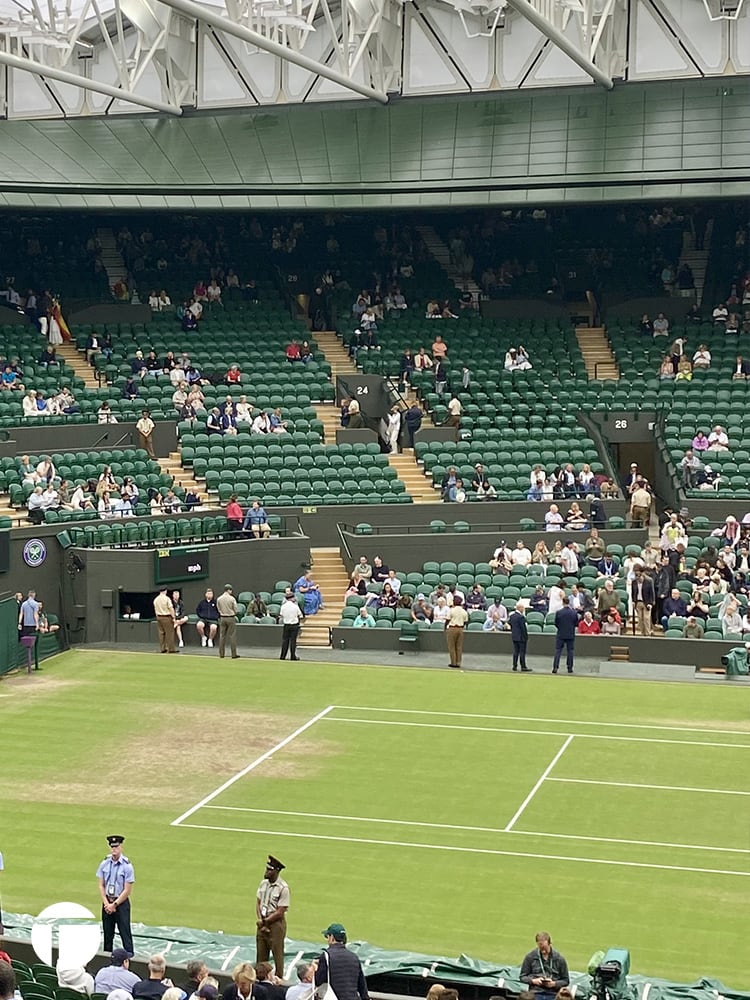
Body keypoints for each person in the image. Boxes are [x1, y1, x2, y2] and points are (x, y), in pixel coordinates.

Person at [96, 835, 135, 957]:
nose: (114, 849)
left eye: (116, 847)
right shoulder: (104, 863)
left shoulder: (127, 866)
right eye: (112, 847)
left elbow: (127, 890)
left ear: (121, 847)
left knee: (125, 933)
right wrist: (106, 903)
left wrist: (115, 904)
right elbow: (101, 885)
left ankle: (129, 958)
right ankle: (107, 959)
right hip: (107, 902)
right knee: (108, 934)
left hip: (121, 903)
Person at [256, 856, 290, 978]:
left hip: (276, 924)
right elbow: (258, 902)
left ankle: (278, 980)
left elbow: (281, 911)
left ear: (276, 871)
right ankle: (260, 978)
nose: (266, 872)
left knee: (277, 954)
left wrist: (265, 922)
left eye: (269, 870)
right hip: (263, 921)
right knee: (261, 955)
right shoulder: (263, 884)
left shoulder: (283, 888)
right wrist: (260, 919)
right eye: (266, 869)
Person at [315, 924, 369, 1000]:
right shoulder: (354, 957)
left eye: (328, 937)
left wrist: (315, 967)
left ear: (332, 937)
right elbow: (362, 986)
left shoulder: (326, 955)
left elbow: (318, 981)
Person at [520, 933, 569, 999]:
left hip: (553, 993)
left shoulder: (559, 959)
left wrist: (554, 983)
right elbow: (522, 977)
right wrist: (533, 981)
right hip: (536, 992)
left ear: (550, 944)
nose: (543, 951)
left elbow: (566, 980)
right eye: (541, 948)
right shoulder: (530, 957)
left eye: (545, 948)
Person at [552, 598, 578, 674]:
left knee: (558, 651)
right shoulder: (573, 612)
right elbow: (576, 623)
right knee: (570, 651)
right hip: (570, 634)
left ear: (563, 603)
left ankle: (555, 667)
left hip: (561, 634)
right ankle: (570, 668)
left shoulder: (559, 612)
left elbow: (556, 623)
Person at [216, 584, 240, 659]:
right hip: (230, 618)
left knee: (222, 636)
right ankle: (233, 654)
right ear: (229, 590)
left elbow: (218, 608)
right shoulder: (232, 599)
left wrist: (222, 613)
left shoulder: (219, 599)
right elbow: (236, 609)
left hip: (222, 618)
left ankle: (221, 654)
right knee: (232, 636)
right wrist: (233, 612)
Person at [445, 595, 468, 669]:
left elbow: (448, 619)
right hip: (460, 629)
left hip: (452, 628)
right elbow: (465, 621)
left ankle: (453, 662)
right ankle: (458, 662)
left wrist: (445, 627)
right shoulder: (464, 611)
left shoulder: (451, 610)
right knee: (459, 646)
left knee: (451, 646)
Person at [631, 566, 655, 636]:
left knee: (646, 619)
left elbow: (652, 593)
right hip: (638, 602)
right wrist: (633, 601)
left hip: (646, 602)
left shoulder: (649, 581)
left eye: (639, 576)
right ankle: (642, 633)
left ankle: (647, 634)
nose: (638, 579)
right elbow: (633, 593)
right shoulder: (634, 582)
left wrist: (651, 603)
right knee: (640, 619)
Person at [279, 593, 304, 660]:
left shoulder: (283, 606)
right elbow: (300, 615)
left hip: (286, 625)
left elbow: (281, 614)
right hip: (294, 625)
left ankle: (283, 656)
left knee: (285, 641)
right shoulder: (295, 606)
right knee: (293, 641)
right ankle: (293, 656)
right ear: (292, 598)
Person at [508, 603, 531, 672]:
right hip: (521, 637)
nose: (523, 609)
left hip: (514, 636)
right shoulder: (521, 617)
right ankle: (523, 666)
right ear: (520, 608)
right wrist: (526, 637)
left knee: (515, 652)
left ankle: (514, 666)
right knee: (522, 652)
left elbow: (510, 624)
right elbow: (523, 628)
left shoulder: (512, 616)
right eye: (523, 608)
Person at [153, 585, 176, 653]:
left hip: (159, 617)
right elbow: (171, 608)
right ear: (165, 591)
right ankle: (171, 649)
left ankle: (162, 648)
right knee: (169, 633)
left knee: (161, 633)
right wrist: (173, 617)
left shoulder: (156, 599)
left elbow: (155, 609)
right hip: (166, 617)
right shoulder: (167, 599)